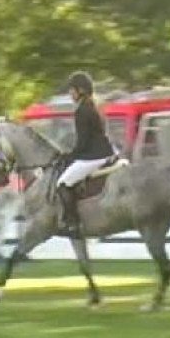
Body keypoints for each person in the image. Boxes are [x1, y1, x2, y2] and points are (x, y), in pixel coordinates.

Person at [56, 71, 115, 238]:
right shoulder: (94, 106)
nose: (70, 94)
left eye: (71, 90)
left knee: (63, 184)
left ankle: (73, 224)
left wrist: (69, 156)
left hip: (94, 156)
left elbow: (83, 142)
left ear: (80, 90)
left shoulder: (82, 110)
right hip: (106, 152)